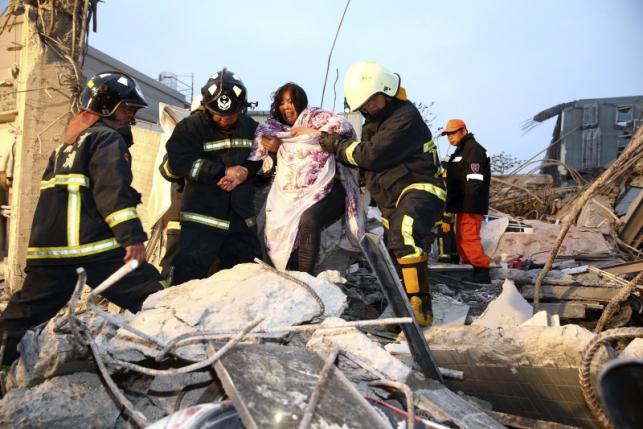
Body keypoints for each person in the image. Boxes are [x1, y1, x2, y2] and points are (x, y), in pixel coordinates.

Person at [0, 72, 164, 365]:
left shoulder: (65, 146)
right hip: (91, 248)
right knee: (152, 295)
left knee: (23, 313)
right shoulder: (107, 139)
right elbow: (111, 191)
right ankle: (170, 354)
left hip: (50, 252)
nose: (133, 118)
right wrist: (132, 237)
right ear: (106, 106)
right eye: (128, 109)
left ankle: (3, 361)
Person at [319, 61, 445, 326]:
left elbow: (371, 155)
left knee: (404, 231)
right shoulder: (374, 122)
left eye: (371, 102)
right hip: (392, 199)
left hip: (420, 188)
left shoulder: (404, 118)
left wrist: (337, 146)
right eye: (363, 106)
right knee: (396, 252)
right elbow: (369, 163)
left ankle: (419, 308)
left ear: (385, 91)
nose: (367, 108)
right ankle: (400, 309)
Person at [249, 83, 363, 274]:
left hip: (329, 187)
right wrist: (278, 151)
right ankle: (292, 276)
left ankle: (305, 280)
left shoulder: (317, 118)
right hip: (290, 196)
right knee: (278, 231)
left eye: (292, 101)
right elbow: (261, 165)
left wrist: (312, 134)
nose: (287, 106)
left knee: (309, 219)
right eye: (282, 102)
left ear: (301, 102)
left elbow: (344, 126)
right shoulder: (273, 130)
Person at [165, 69, 262, 285]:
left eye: (231, 116)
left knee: (246, 283)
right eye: (218, 115)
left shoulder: (250, 127)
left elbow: (261, 156)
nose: (225, 121)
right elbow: (178, 163)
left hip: (240, 222)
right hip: (202, 222)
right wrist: (222, 171)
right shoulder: (190, 127)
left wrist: (246, 171)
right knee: (184, 283)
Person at [441, 118, 491, 283]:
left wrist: (470, 204)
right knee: (461, 238)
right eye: (447, 135)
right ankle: (470, 269)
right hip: (461, 205)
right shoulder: (460, 151)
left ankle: (481, 271)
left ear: (463, 131)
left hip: (470, 205)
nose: (450, 138)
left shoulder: (473, 150)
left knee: (469, 238)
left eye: (453, 133)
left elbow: (474, 181)